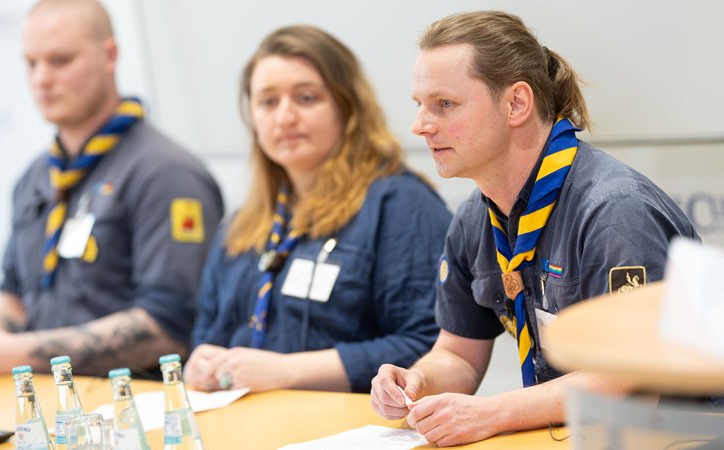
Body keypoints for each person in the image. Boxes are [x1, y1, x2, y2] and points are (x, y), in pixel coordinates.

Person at [370, 10, 698, 446]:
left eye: (444, 104)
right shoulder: (475, 218)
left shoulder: (615, 212)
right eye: (420, 105)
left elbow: (632, 382)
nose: (420, 125)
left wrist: (491, 412)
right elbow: (458, 354)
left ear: (516, 104)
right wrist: (417, 380)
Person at [0, 0, 223, 377]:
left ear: (109, 55)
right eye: (31, 63)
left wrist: (10, 354)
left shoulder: (166, 173)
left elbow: (166, 328)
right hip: (44, 403)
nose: (41, 79)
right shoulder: (35, 177)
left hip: (132, 410)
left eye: (61, 60)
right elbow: (15, 303)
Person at [184, 25, 450, 394]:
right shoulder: (242, 223)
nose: (285, 117)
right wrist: (200, 364)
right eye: (268, 102)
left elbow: (429, 347)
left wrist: (288, 371)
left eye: (306, 98)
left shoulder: (400, 205)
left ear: (347, 106)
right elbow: (208, 333)